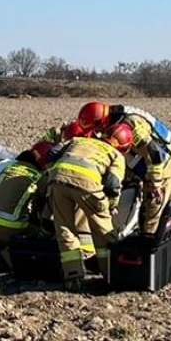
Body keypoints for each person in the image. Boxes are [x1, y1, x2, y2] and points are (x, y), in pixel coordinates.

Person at [45, 123, 130, 289]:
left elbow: (52, 153)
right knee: (103, 231)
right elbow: (113, 185)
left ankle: (73, 276)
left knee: (65, 229)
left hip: (57, 180)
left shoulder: (79, 140)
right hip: (87, 183)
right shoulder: (116, 155)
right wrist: (111, 206)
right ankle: (110, 274)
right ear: (123, 146)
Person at [111, 104, 171, 266]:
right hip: (169, 164)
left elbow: (156, 154)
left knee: (153, 217)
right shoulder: (124, 119)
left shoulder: (129, 125)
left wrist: (155, 184)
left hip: (162, 170)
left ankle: (149, 262)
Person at [0, 144, 53, 264]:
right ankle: (15, 259)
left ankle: (1, 255)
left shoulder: (8, 169)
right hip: (8, 227)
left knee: (5, 218)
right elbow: (48, 200)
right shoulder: (38, 177)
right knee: (41, 233)